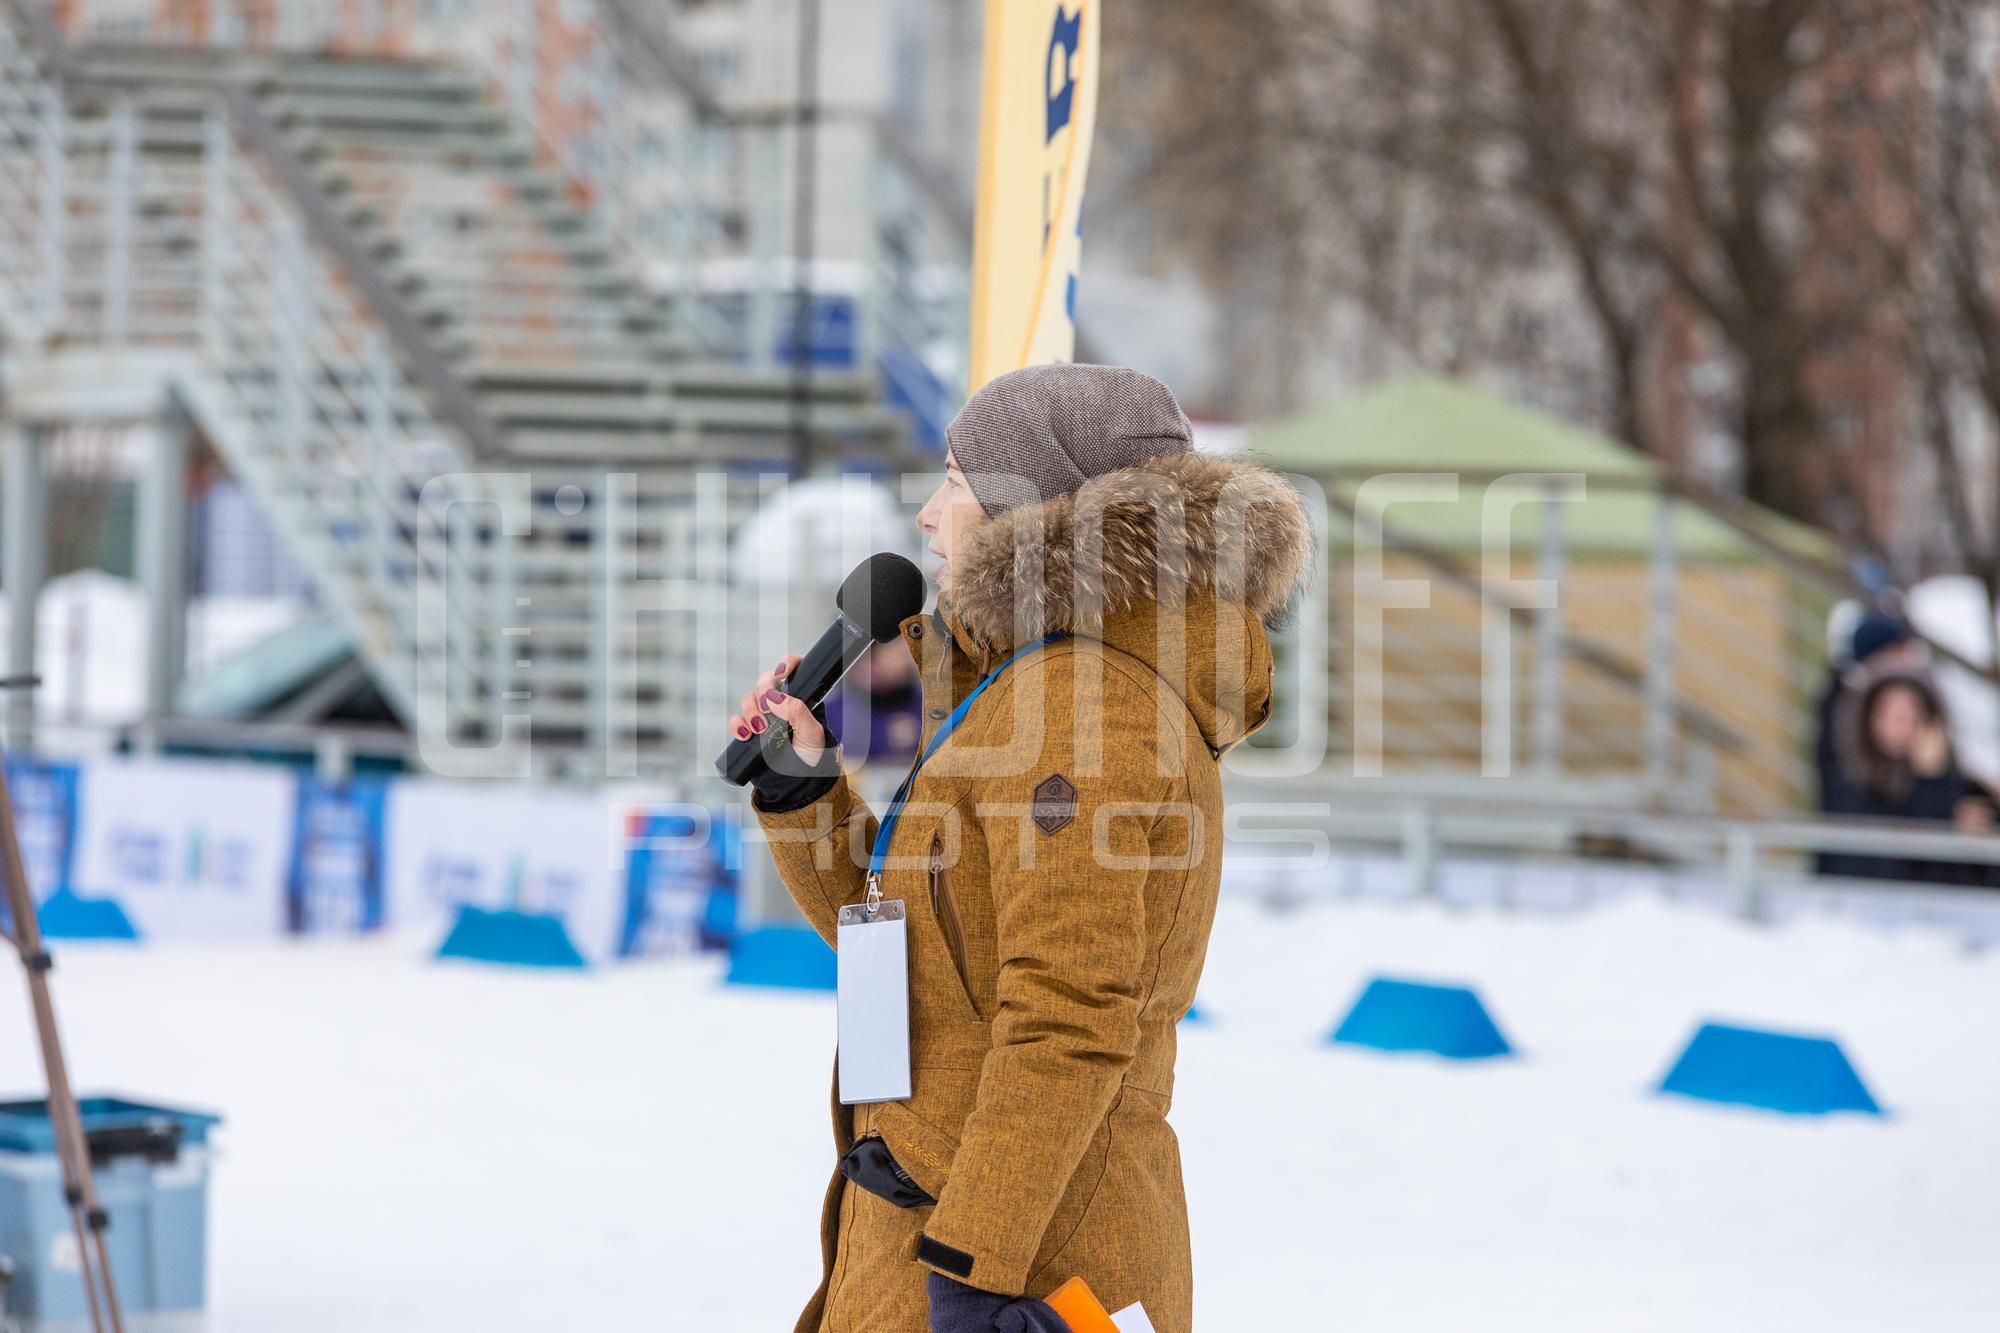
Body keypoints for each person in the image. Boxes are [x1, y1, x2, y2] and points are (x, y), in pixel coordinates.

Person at [724, 364, 1313, 1333]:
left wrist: (971, 1268)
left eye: (953, 478)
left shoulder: (1081, 713)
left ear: (1022, 505)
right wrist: (802, 790)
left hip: (1016, 1252)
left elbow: (1069, 1015)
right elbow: (923, 963)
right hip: (943, 1210)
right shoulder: (1033, 697)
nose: (925, 514)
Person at [1822, 660, 2000, 885]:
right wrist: (1932, 786)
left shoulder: (1961, 785)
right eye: (1888, 710)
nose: (1901, 721)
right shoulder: (1854, 788)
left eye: (1912, 710)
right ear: (1868, 719)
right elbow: (1890, 869)